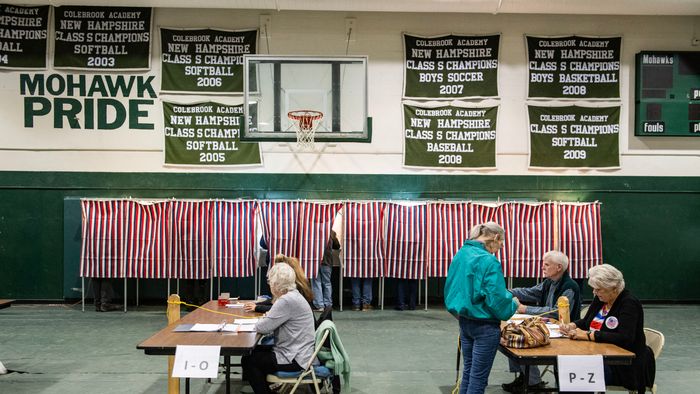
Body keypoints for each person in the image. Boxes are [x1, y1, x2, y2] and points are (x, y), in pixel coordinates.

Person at [444, 222, 519, 394]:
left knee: (468, 371)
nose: (499, 248)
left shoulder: (461, 254)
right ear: (495, 237)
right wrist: (513, 304)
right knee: (478, 378)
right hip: (485, 326)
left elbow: (452, 288)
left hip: (464, 322)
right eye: (501, 244)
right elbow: (496, 298)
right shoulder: (489, 260)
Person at [559, 264, 655, 393]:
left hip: (623, 364)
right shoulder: (601, 299)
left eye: (598, 289)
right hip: (597, 355)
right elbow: (586, 322)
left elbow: (625, 338)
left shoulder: (629, 303)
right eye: (594, 288)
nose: (594, 292)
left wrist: (589, 335)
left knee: (579, 370)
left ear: (614, 288)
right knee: (564, 364)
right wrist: (572, 325)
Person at [502, 250, 581, 393]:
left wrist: (524, 309)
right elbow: (529, 292)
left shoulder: (570, 287)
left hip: (563, 331)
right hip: (547, 326)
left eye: (546, 264)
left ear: (558, 267)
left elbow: (556, 312)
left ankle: (533, 382)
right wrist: (506, 291)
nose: (542, 267)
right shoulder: (549, 282)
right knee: (511, 335)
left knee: (521, 339)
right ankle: (527, 377)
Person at [241, 263, 316, 394]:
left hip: (295, 358)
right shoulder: (294, 295)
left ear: (276, 284)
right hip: (299, 351)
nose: (269, 285)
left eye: (270, 282)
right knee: (253, 351)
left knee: (249, 360)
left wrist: (265, 319)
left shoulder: (285, 300)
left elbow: (263, 327)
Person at [244, 254, 314, 313]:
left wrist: (257, 307)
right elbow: (274, 300)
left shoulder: (294, 287)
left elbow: (280, 308)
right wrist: (256, 304)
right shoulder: (299, 284)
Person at [312, 230, 339, 312]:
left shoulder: (311, 230)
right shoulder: (330, 232)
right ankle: (328, 305)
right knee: (327, 283)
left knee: (316, 283)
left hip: (314, 261)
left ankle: (320, 305)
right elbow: (337, 246)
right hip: (327, 261)